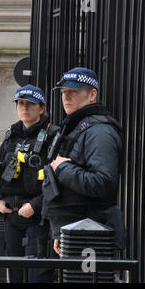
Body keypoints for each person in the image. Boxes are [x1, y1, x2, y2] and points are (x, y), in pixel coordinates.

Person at [41, 67, 124, 255]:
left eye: (74, 92)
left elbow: (103, 183)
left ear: (92, 94)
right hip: (74, 232)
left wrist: (63, 168)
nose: (66, 97)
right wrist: (59, 231)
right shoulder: (74, 127)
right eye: (64, 92)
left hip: (92, 234)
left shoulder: (100, 132)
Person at [0, 85, 55, 283]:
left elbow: (59, 182)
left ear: (41, 108)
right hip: (11, 217)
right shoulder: (11, 136)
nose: (24, 108)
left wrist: (35, 206)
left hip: (38, 219)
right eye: (21, 104)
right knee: (14, 275)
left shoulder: (53, 137)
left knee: (37, 276)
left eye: (30, 104)